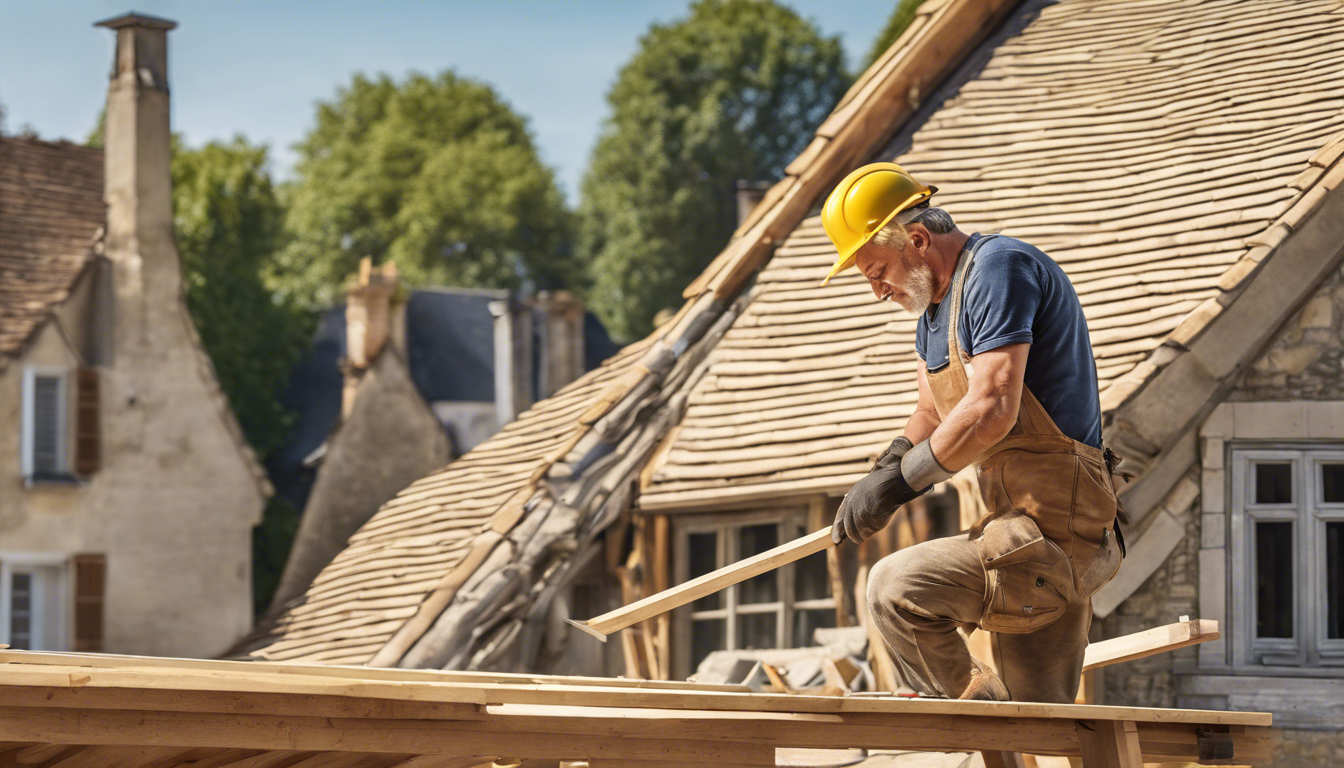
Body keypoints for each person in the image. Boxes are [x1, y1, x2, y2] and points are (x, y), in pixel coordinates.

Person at [819, 162, 1125, 703]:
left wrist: (902, 485)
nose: (876, 291)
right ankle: (989, 721)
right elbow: (933, 412)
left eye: (877, 270)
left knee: (894, 588)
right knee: (1041, 723)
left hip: (1056, 529)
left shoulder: (997, 269)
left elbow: (991, 407)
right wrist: (885, 469)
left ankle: (974, 712)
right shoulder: (932, 314)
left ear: (917, 239)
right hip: (1013, 530)